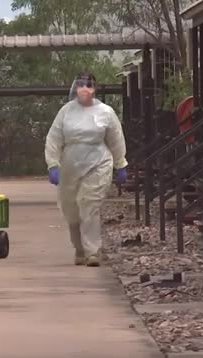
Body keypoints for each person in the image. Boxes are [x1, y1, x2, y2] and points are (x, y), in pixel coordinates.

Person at [44, 72, 128, 267]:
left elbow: (116, 138)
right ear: (75, 88)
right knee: (71, 208)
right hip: (70, 165)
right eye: (80, 85)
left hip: (98, 161)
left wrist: (120, 163)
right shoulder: (66, 111)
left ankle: (92, 251)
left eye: (88, 85)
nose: (84, 89)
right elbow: (54, 138)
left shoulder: (105, 112)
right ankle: (79, 248)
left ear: (95, 88)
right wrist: (53, 164)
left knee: (89, 205)